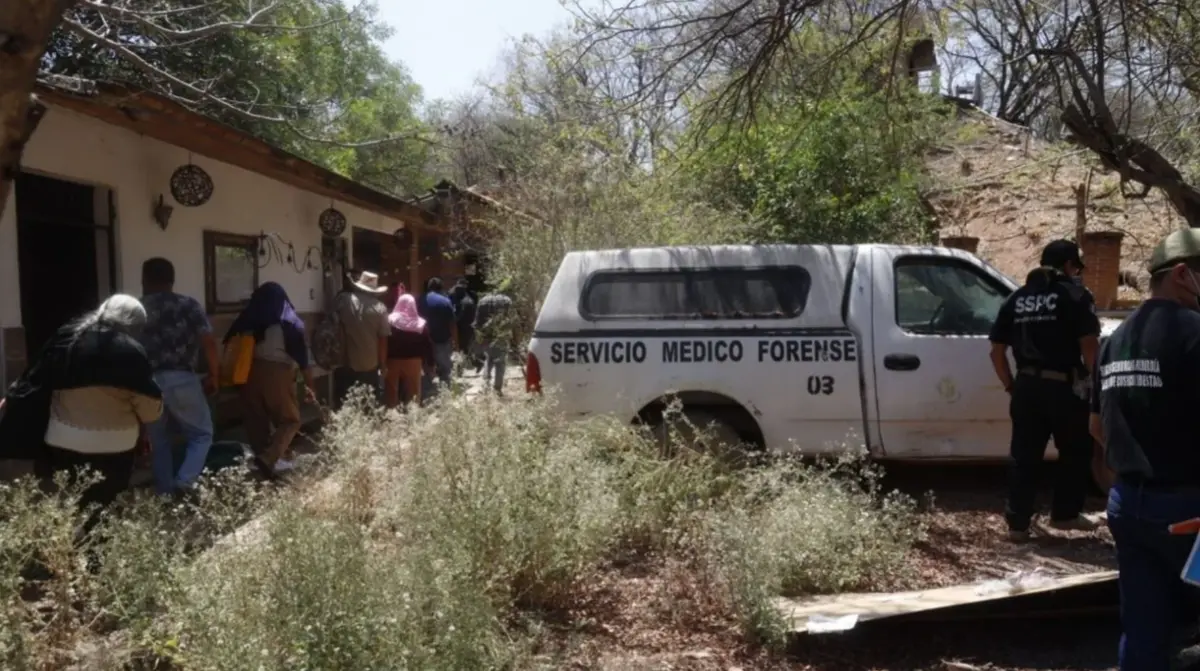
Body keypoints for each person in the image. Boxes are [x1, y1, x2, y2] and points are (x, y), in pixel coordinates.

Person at [1093, 229, 1200, 671]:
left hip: (1128, 507)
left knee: (1142, 633)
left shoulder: (1115, 340)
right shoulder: (1194, 333)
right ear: (1182, 273)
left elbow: (1096, 425)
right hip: (1188, 510)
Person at [0, 295, 162, 526]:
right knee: (106, 505)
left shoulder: (67, 339)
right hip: (117, 446)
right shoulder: (131, 352)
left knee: (70, 500)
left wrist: (12, 400)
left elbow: (34, 378)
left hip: (64, 442)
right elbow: (150, 412)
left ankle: (66, 548)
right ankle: (97, 550)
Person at [988, 239, 1100, 542]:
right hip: (1064, 388)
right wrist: (1099, 385)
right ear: (1068, 266)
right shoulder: (1076, 295)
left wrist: (1011, 385)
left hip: (1025, 386)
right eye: (1076, 266)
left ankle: (1017, 525)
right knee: (1075, 450)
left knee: (1024, 455)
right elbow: (1089, 347)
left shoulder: (1016, 298)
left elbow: (996, 353)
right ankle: (1065, 515)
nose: (1077, 272)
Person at [139, 257, 220, 496]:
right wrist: (215, 375)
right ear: (172, 280)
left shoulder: (135, 310)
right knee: (202, 434)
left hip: (147, 382)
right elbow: (208, 341)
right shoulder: (188, 305)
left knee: (159, 442)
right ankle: (184, 482)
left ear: (144, 279)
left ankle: (164, 494)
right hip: (181, 378)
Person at [225, 282, 317, 479]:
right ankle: (268, 459)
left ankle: (262, 464)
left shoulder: (247, 318)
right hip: (277, 372)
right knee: (290, 419)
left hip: (246, 375)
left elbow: (229, 343)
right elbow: (304, 361)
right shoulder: (289, 322)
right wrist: (310, 386)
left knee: (256, 420)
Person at [333, 271, 389, 409]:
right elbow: (382, 340)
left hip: (345, 361)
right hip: (369, 365)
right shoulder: (380, 308)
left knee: (345, 402)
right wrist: (382, 364)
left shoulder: (344, 300)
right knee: (367, 404)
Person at [385, 292, 435, 409]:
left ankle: (392, 418)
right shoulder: (420, 324)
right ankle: (412, 419)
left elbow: (383, 340)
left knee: (391, 393)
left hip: (392, 361)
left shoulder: (389, 321)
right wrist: (431, 363)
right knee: (413, 394)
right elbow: (428, 345)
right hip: (414, 362)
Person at [474, 286, 515, 395]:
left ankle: (486, 385)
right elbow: (512, 321)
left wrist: (479, 339)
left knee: (489, 359)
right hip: (501, 337)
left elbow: (477, 323)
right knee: (500, 363)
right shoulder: (507, 301)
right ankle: (497, 389)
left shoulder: (482, 301)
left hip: (486, 337)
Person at [420, 277, 457, 390]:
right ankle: (445, 391)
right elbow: (452, 324)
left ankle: (427, 390)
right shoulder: (446, 301)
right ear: (441, 288)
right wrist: (455, 341)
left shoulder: (419, 300)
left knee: (426, 367)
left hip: (423, 340)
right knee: (445, 368)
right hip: (442, 340)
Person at [451, 279, 478, 373]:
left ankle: (464, 367)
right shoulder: (467, 299)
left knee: (463, 348)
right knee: (465, 348)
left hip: (464, 328)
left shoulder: (465, 301)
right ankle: (463, 367)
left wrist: (453, 321)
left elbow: (460, 316)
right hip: (468, 327)